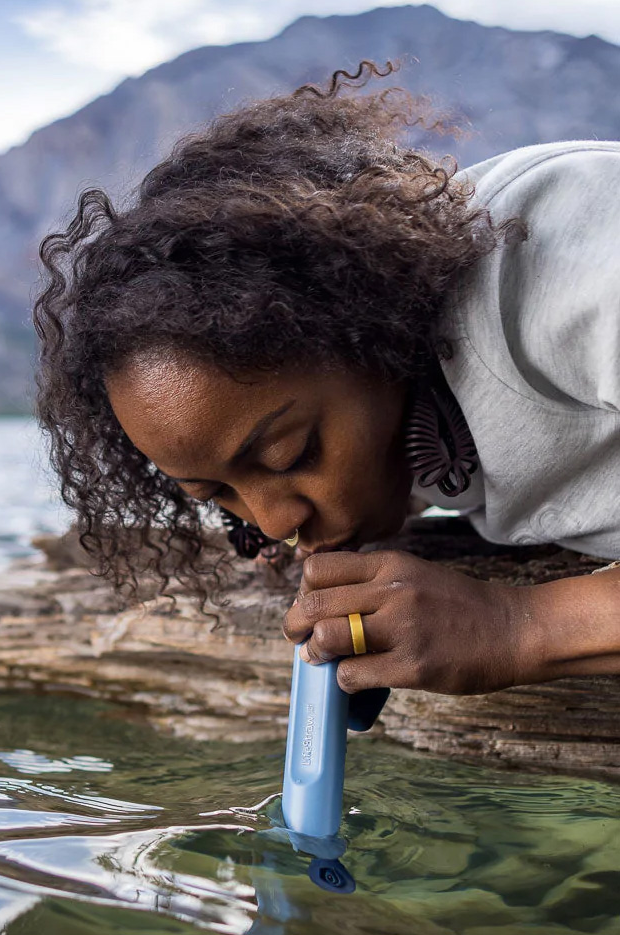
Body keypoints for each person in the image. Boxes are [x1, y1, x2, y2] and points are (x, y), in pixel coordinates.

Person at [33, 62, 620, 699]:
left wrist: (522, 627)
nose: (275, 520)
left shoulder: (565, 261)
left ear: (369, 326)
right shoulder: (394, 406)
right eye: (218, 494)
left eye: (291, 453)